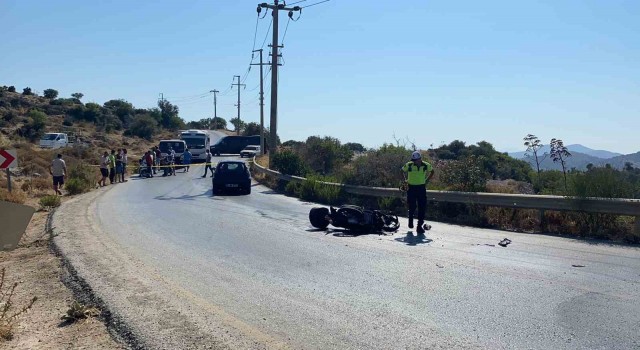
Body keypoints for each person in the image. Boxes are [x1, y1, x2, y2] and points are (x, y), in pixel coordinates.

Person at [401, 150, 434, 234]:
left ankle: (419, 226)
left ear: (420, 159)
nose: (414, 162)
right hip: (411, 187)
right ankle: (410, 218)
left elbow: (432, 171)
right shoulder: (409, 165)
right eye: (413, 160)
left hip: (421, 188)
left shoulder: (426, 165)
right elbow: (401, 171)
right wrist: (405, 180)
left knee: (422, 207)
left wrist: (427, 180)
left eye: (416, 160)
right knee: (412, 206)